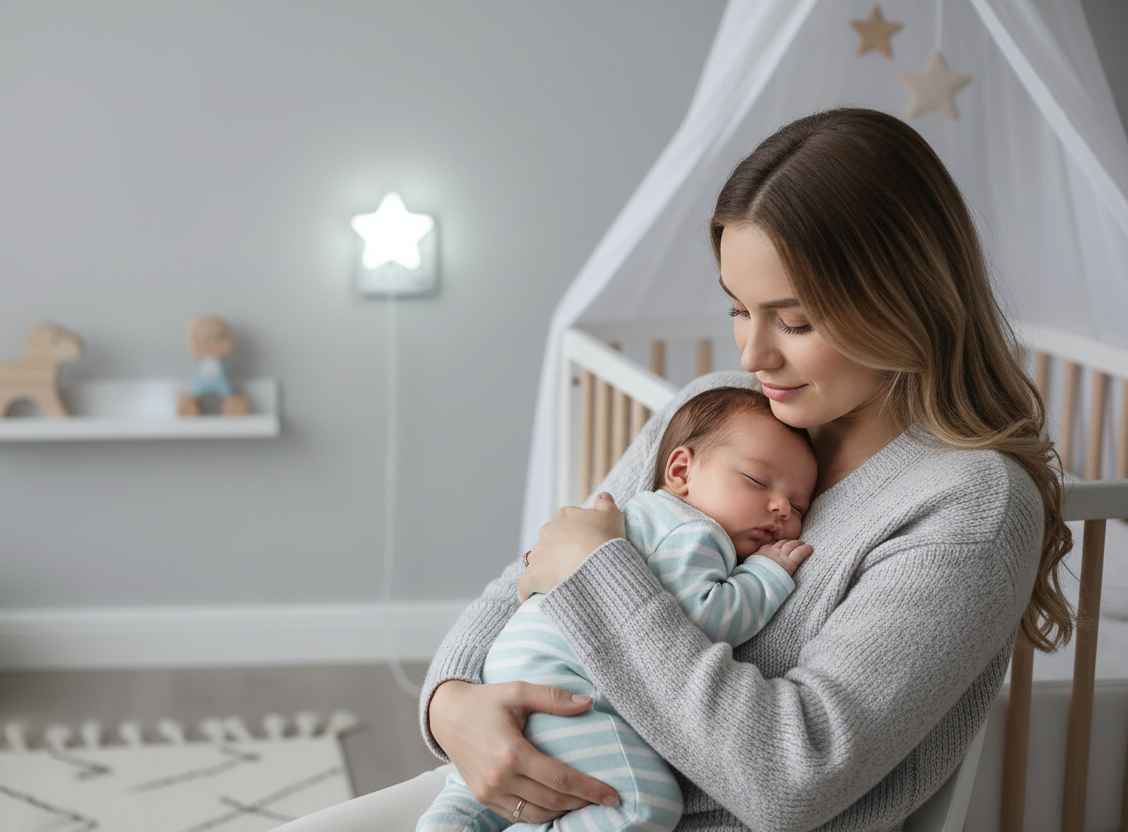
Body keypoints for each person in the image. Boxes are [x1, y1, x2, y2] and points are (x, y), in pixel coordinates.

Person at [269, 107, 1072, 832]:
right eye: (737, 308)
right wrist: (454, 706)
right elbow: (537, 576)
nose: (753, 354)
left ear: (905, 301)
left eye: (793, 320)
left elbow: (791, 779)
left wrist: (602, 571)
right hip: (536, 780)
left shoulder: (965, 507)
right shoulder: (723, 410)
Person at [416, 387, 817, 831]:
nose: (781, 507)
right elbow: (705, 619)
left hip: (513, 667)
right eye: (758, 482)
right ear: (682, 470)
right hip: (566, 681)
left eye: (798, 506)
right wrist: (765, 575)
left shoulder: (638, 512)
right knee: (643, 806)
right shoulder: (695, 534)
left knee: (472, 799)